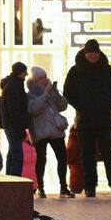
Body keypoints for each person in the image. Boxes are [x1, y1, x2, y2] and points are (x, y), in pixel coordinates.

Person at [63, 39, 111, 198]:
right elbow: (67, 92)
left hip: (104, 119)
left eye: (95, 53)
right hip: (85, 120)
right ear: (85, 53)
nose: (93, 56)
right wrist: (81, 107)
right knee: (87, 154)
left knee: (108, 152)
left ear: (99, 53)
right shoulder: (76, 71)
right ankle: (90, 186)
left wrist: (107, 104)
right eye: (90, 53)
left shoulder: (106, 69)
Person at [26, 66, 71, 197]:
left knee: (62, 158)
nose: (44, 80)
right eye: (40, 78)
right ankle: (40, 186)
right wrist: (45, 93)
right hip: (40, 132)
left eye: (45, 77)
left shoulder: (51, 92)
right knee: (41, 159)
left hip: (55, 131)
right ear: (34, 80)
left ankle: (63, 186)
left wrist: (55, 92)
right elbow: (34, 109)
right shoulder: (30, 95)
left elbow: (63, 106)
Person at [0, 62, 29, 178]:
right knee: (17, 155)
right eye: (24, 71)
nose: (26, 74)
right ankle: (15, 180)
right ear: (20, 72)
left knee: (12, 153)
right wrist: (21, 125)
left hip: (9, 125)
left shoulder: (10, 84)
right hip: (13, 125)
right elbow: (16, 108)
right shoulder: (16, 85)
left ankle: (10, 179)